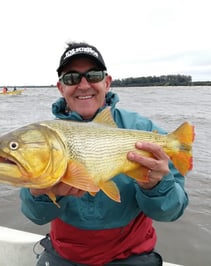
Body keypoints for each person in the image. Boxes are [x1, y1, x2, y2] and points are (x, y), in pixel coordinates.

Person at [20, 42, 189, 266]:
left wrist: (156, 185)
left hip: (131, 256)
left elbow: (170, 213)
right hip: (66, 256)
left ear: (106, 82)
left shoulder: (145, 130)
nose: (83, 85)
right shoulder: (45, 139)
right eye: (71, 78)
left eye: (93, 75)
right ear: (61, 87)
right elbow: (36, 217)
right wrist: (40, 192)